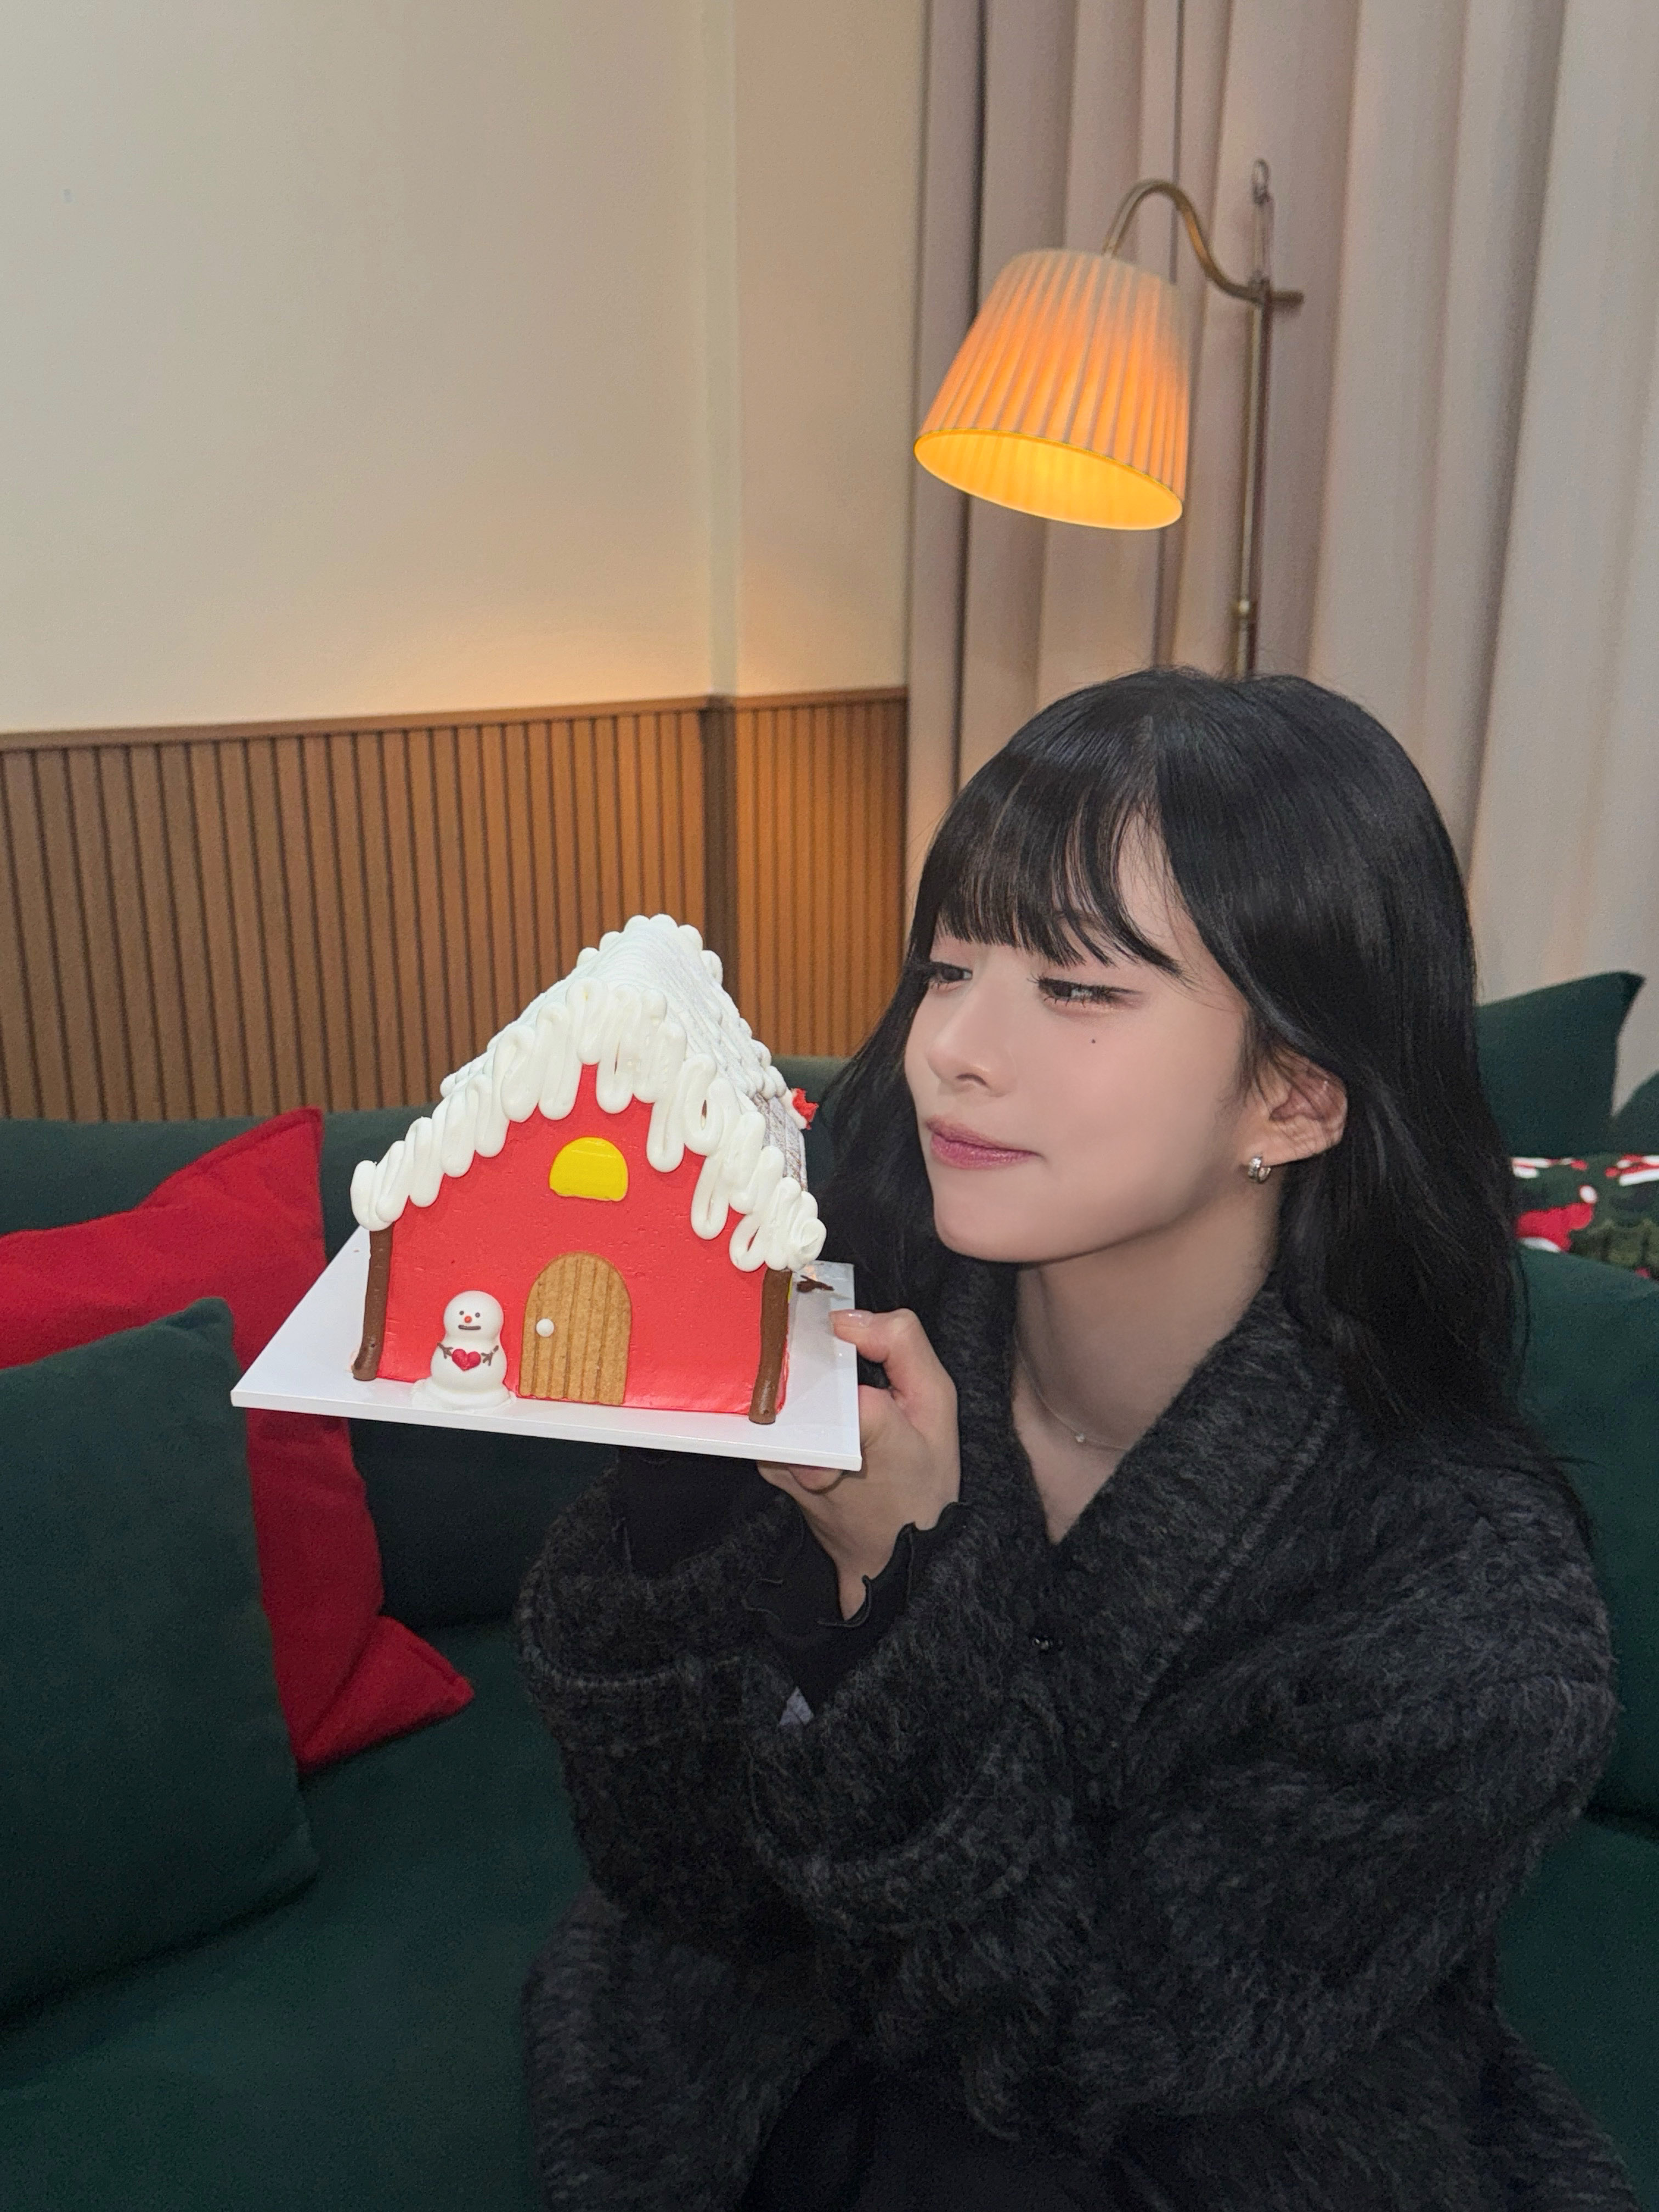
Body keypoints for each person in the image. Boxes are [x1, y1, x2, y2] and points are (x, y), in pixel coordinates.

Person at [511, 667, 1641, 2211]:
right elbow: (677, 1876)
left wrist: (902, 1602)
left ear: (1299, 1097)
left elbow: (1084, 2039)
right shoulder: (839, 1329)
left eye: (1080, 990)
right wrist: (674, 1485)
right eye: (949, 965)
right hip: (771, 2065)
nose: (953, 1049)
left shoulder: (1471, 1608)